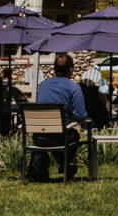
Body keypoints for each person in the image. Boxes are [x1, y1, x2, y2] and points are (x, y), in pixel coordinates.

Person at [27, 53, 88, 181]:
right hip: (60, 137)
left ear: (55, 68)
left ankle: (64, 165)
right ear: (71, 69)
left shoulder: (43, 85)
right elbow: (80, 115)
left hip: (39, 137)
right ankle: (65, 165)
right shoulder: (74, 87)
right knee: (73, 135)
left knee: (55, 132)